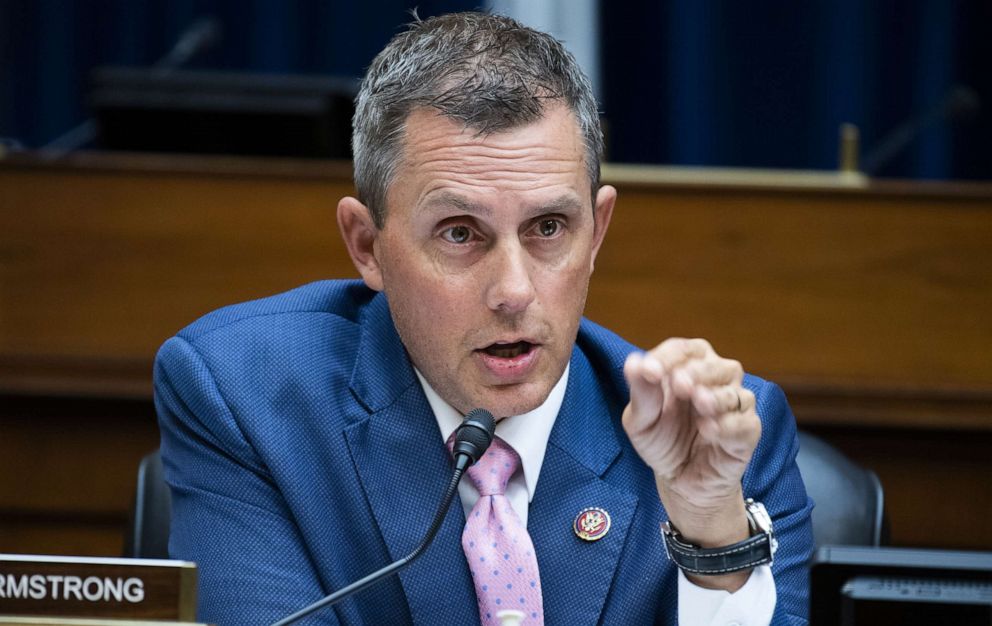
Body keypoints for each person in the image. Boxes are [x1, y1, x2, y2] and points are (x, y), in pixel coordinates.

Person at [154, 12, 813, 626]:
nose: (513, 291)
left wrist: (710, 532)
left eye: (548, 227)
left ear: (598, 231)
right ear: (366, 243)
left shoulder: (720, 444)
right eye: (460, 233)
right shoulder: (245, 396)